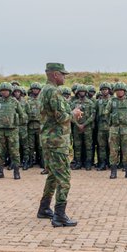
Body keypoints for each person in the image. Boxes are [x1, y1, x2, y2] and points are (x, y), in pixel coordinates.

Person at [38, 63, 77, 226]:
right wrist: (73, 113)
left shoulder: (43, 90)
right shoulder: (53, 92)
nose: (64, 77)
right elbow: (61, 117)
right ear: (55, 74)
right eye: (63, 74)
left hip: (49, 139)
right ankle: (59, 215)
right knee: (64, 178)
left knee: (53, 175)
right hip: (57, 141)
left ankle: (44, 208)